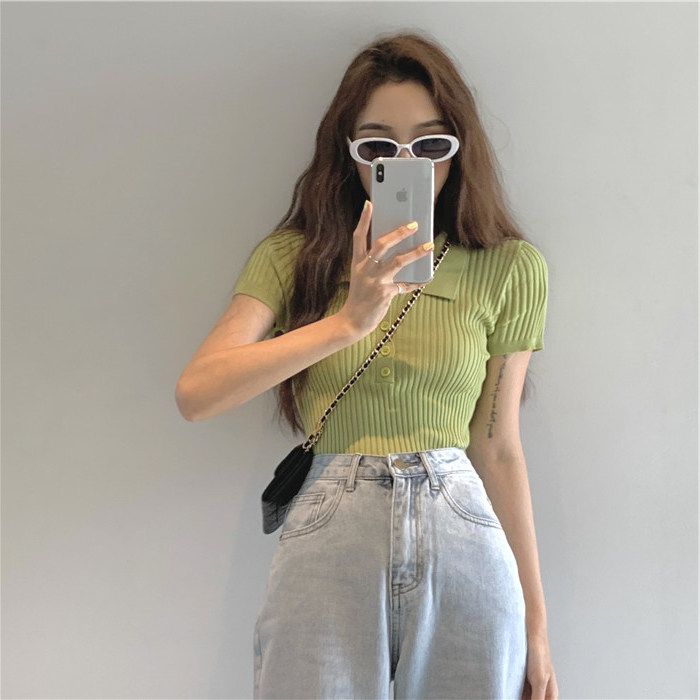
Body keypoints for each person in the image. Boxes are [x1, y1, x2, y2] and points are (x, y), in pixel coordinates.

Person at [175, 31, 558, 700]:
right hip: (331, 522)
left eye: (431, 147)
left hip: (462, 526)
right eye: (379, 148)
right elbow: (198, 392)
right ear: (347, 153)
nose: (407, 165)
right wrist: (348, 321)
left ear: (460, 150)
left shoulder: (508, 268)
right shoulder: (295, 257)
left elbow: (498, 447)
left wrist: (538, 627)